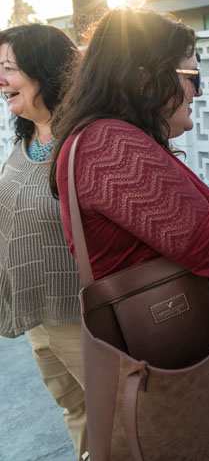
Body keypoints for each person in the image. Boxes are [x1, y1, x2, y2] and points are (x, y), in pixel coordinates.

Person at [49, 8, 209, 461]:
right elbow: (205, 239)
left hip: (170, 356)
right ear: (146, 78)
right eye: (191, 74)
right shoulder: (109, 144)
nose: (196, 91)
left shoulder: (107, 139)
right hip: (170, 367)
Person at [0, 24, 85, 458]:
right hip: (39, 311)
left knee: (112, 414)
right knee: (73, 408)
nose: (1, 80)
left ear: (45, 72)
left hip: (82, 315)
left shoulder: (85, 140)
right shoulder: (27, 136)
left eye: (9, 68)